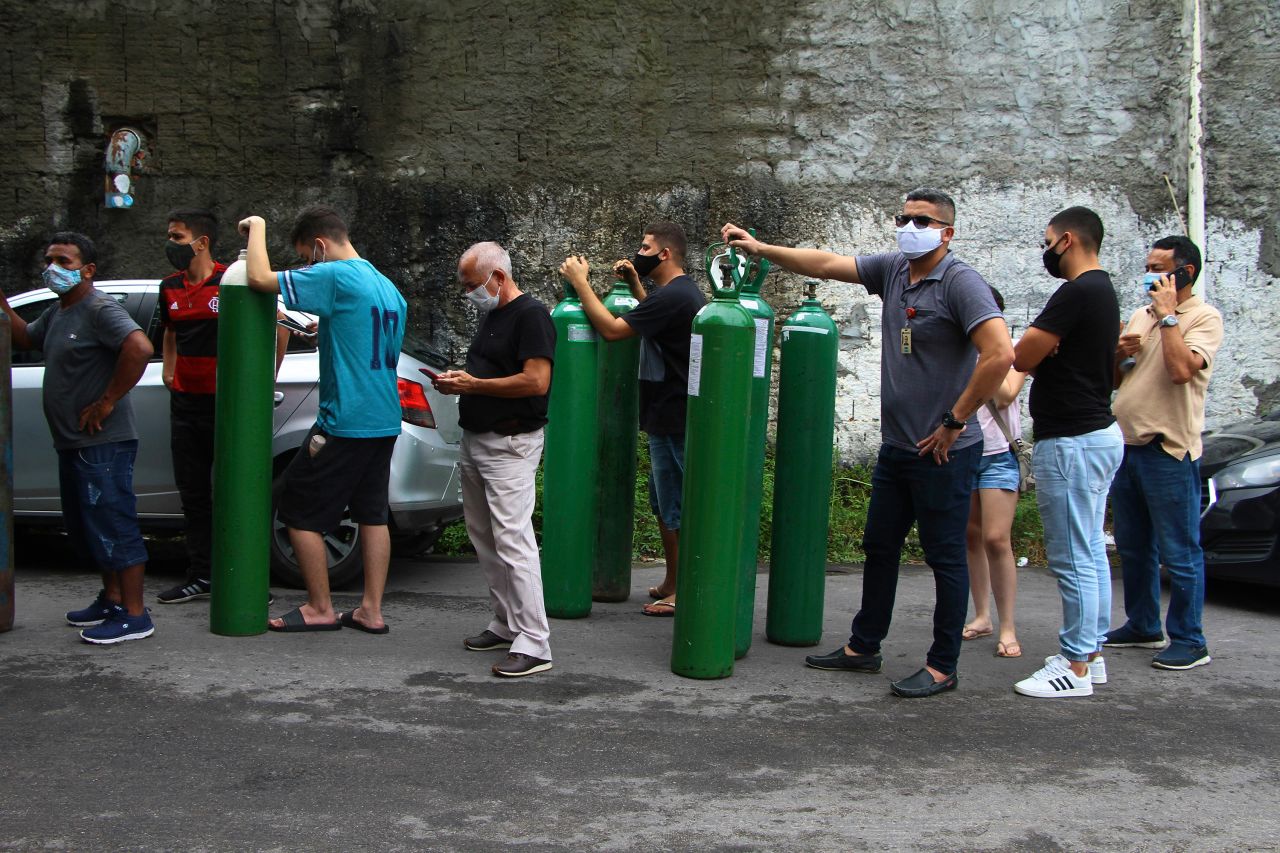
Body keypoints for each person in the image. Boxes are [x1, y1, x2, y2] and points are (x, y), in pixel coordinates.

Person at [723, 187, 1013, 698]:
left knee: (945, 557)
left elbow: (1000, 354)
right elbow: (829, 263)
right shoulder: (896, 270)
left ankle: (943, 665)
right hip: (898, 447)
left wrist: (955, 420)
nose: (909, 226)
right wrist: (761, 248)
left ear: (947, 232)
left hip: (943, 452)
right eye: (903, 217)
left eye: (922, 220)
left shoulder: (961, 283)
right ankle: (864, 646)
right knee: (879, 546)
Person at [239, 206, 406, 635]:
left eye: (307, 258)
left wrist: (257, 226)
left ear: (319, 245)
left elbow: (258, 279)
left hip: (344, 421)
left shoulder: (337, 275)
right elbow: (360, 337)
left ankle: (319, 607)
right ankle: (371, 610)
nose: (308, 267)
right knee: (372, 515)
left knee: (298, 510)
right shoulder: (386, 286)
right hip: (383, 418)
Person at [0, 232, 155, 643]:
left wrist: (107, 401)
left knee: (115, 524)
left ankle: (136, 615)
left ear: (87, 270)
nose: (53, 268)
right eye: (50, 260)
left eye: (64, 262)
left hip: (103, 443)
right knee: (90, 526)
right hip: (72, 443)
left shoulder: (99, 308)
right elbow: (25, 338)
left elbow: (138, 347)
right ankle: (113, 597)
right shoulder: (58, 312)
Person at [558, 222, 705, 616]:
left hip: (674, 416)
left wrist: (581, 281)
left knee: (677, 505)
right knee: (663, 503)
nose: (637, 251)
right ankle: (673, 580)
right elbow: (652, 319)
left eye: (645, 246)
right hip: (666, 414)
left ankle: (685, 590)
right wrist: (637, 284)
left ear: (664, 255)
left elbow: (612, 330)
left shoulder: (675, 297)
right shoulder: (677, 294)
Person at [1011, 206, 1123, 698]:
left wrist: (1040, 347)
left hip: (1073, 441)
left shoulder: (1077, 292)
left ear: (1068, 240)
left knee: (1073, 555)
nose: (1046, 250)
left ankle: (1075, 666)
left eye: (1048, 240)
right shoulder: (1105, 293)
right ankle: (1090, 654)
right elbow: (1039, 351)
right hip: (1096, 434)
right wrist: (1043, 348)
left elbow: (1021, 355)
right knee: (1092, 550)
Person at [433, 241, 556, 677]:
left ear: (498, 277)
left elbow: (536, 381)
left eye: (473, 285)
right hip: (479, 438)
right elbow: (489, 375)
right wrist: (462, 383)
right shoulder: (493, 315)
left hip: (509, 443)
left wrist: (473, 386)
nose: (470, 293)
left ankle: (535, 642)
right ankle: (507, 623)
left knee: (513, 540)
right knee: (485, 537)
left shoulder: (531, 315)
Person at [155, 208, 289, 605]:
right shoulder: (170, 287)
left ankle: (246, 579)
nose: (170, 244)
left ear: (202, 242)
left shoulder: (231, 280)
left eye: (177, 237)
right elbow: (170, 333)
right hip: (186, 406)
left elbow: (279, 325)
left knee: (236, 492)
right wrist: (168, 372)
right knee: (194, 496)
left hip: (227, 407)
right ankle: (201, 576)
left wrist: (265, 378)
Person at [1104, 236, 1222, 671]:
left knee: (1179, 550)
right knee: (1133, 546)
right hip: (1129, 446)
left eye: (1161, 268)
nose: (1151, 276)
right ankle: (1143, 624)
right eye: (1148, 266)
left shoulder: (1203, 318)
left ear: (1186, 273)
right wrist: (1118, 354)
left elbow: (1180, 372)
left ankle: (1191, 640)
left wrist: (1169, 317)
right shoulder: (1141, 314)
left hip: (1168, 449)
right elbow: (1120, 381)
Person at [963, 287, 1028, 659]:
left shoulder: (1015, 351)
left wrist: (990, 352)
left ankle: (1008, 627)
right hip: (965, 452)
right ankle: (983, 616)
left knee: (996, 539)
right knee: (971, 537)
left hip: (999, 454)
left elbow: (1004, 395)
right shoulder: (959, 350)